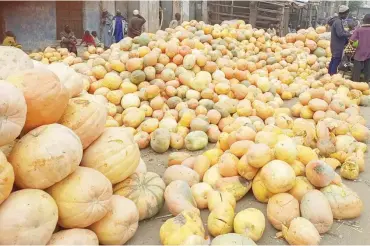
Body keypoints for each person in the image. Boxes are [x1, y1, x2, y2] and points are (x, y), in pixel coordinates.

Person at [327, 5, 351, 75]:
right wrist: (349, 34)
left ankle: (329, 74)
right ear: (343, 13)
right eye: (346, 14)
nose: (346, 16)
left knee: (333, 60)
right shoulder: (338, 22)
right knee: (336, 61)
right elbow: (340, 34)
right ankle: (333, 76)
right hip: (337, 46)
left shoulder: (337, 21)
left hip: (335, 45)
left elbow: (341, 32)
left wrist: (346, 32)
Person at [350, 14, 370, 82]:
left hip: (359, 52)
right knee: (367, 70)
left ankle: (356, 84)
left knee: (357, 70)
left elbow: (352, 40)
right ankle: (366, 84)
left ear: (363, 21)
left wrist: (355, 45)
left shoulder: (359, 30)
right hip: (369, 53)